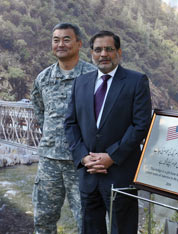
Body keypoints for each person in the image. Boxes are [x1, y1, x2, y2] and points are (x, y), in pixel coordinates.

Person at [64, 30, 152, 234]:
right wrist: (83, 157)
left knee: (123, 229)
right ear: (91, 53)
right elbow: (70, 124)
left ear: (119, 52)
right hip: (88, 174)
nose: (103, 54)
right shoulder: (81, 82)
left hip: (120, 174)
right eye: (98, 50)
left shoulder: (136, 81)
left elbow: (140, 124)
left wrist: (112, 156)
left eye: (108, 49)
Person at [31, 22, 97, 234]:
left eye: (66, 39)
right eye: (56, 39)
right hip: (49, 160)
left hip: (82, 161)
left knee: (86, 219)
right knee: (43, 217)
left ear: (78, 44)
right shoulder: (43, 78)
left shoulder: (93, 76)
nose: (60, 44)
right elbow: (40, 110)